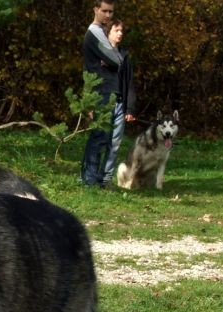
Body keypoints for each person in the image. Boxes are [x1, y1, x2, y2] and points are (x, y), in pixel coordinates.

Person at [81, 0, 121, 187]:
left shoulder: (101, 33)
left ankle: (90, 176)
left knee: (101, 136)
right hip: (100, 90)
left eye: (111, 12)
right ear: (95, 10)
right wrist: (111, 59)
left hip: (104, 89)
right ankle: (90, 179)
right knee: (99, 136)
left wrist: (111, 59)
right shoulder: (95, 33)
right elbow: (117, 59)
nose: (108, 15)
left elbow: (115, 60)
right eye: (104, 11)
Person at [101, 19, 137, 188]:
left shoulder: (125, 56)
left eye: (122, 31)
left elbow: (130, 83)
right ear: (109, 32)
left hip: (120, 105)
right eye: (117, 30)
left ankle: (106, 178)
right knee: (99, 141)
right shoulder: (100, 52)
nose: (120, 34)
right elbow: (92, 80)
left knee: (114, 144)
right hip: (103, 103)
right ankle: (90, 176)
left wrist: (130, 108)